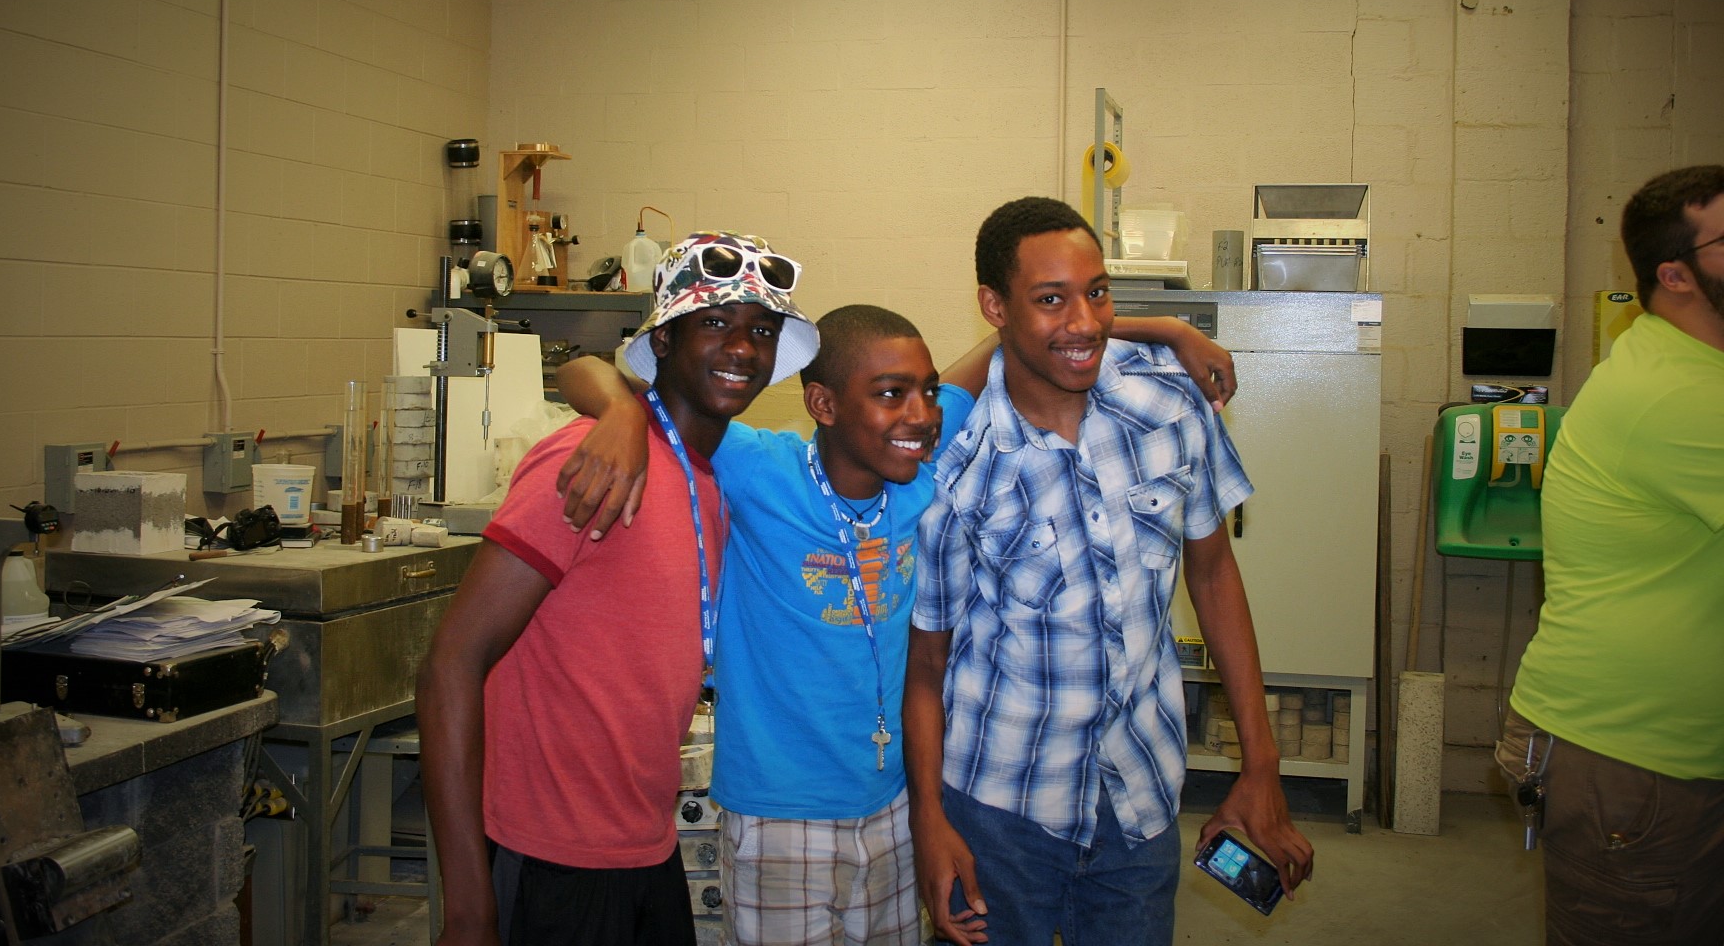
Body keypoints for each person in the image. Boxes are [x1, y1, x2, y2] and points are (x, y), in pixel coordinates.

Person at [555, 306, 1235, 946]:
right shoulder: (758, 468)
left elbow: (1014, 334)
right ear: (823, 405)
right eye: (891, 394)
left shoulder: (919, 477)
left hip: (893, 808)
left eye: (929, 391)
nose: (922, 413)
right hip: (779, 814)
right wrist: (620, 410)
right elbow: (584, 369)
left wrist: (1169, 329)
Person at [904, 196, 1314, 946]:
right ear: (994, 307)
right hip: (1000, 809)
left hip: (1139, 793)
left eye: (1097, 292)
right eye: (1050, 299)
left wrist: (1261, 762)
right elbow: (927, 664)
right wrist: (928, 819)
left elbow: (1213, 575)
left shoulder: (1169, 403)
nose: (1086, 321)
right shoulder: (955, 462)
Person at [416, 232, 818, 946]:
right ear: (662, 341)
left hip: (643, 844)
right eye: (715, 322)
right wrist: (468, 904)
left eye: (761, 331)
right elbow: (451, 664)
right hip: (550, 856)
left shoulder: (707, 480)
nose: (742, 348)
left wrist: (620, 404)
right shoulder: (589, 464)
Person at [1499, 165, 1724, 946]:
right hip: (1637, 761)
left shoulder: (1681, 362)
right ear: (1675, 274)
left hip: (1658, 750)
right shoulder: (1676, 395)